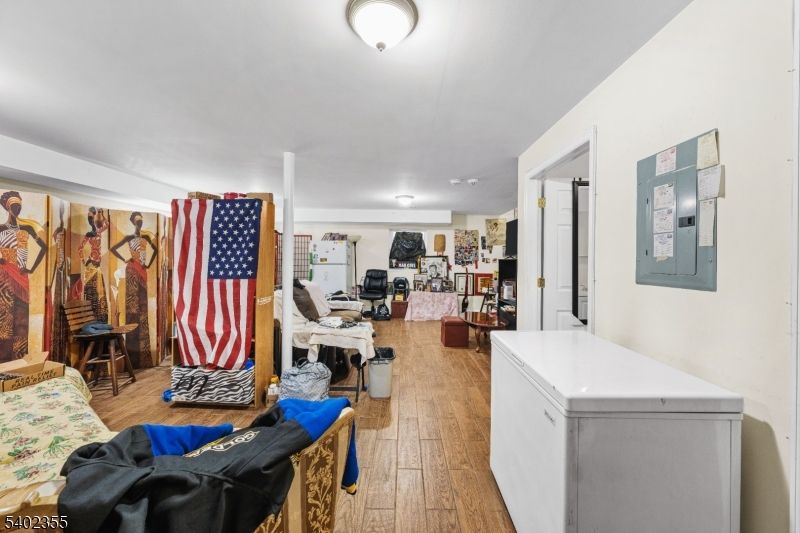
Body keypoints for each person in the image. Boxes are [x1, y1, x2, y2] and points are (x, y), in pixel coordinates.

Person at [0, 191, 47, 362]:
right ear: (7, 207)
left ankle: (20, 361)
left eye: (19, 206)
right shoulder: (1, 229)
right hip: (4, 277)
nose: (17, 209)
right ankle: (3, 364)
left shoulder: (27, 228)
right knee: (4, 321)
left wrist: (31, 267)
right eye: (14, 206)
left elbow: (44, 247)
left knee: (21, 321)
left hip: (21, 278)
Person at [111, 212, 157, 368]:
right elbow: (114, 249)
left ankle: (144, 358)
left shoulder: (146, 238)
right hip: (131, 270)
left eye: (141, 221)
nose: (140, 224)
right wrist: (126, 258)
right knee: (132, 309)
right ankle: (131, 358)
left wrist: (148, 264)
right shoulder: (129, 238)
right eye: (137, 221)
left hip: (143, 271)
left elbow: (155, 251)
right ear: (133, 222)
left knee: (142, 311)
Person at [78, 207, 110, 322]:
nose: (90, 220)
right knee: (91, 291)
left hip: (97, 265)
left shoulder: (99, 231)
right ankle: (90, 319)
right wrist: (83, 261)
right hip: (91, 264)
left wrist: (102, 213)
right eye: (89, 218)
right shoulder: (88, 234)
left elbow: (107, 224)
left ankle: (100, 319)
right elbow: (80, 248)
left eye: (91, 217)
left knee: (99, 291)